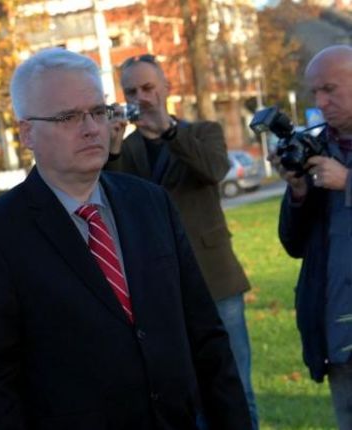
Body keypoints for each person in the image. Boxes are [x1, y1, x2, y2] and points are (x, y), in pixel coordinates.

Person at [0, 47, 250, 429]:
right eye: (68, 117)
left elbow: (207, 337)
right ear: (27, 133)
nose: (90, 128)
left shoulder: (151, 204)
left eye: (98, 111)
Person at [107, 54, 259, 429]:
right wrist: (110, 149)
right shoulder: (126, 151)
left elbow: (213, 170)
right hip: (159, 287)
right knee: (184, 389)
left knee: (234, 383)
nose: (141, 97)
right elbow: (110, 196)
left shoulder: (203, 132)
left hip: (215, 278)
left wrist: (169, 132)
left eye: (147, 88)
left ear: (166, 88)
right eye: (131, 91)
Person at [272, 45, 352, 430]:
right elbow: (293, 245)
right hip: (340, 336)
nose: (320, 102)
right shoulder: (316, 148)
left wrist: (348, 181)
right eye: (314, 92)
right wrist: (300, 192)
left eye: (330, 89)